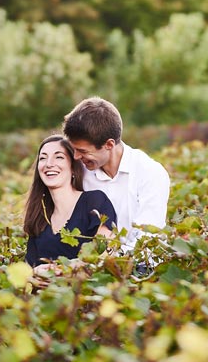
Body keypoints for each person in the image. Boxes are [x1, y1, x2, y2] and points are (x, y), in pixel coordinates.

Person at [62, 97, 170, 251]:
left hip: (141, 268)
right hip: (89, 266)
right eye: (74, 149)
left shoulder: (150, 173)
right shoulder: (80, 172)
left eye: (83, 151)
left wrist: (110, 260)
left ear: (109, 144)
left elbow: (147, 237)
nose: (76, 157)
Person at [23, 133, 117, 268]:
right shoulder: (40, 218)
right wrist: (34, 275)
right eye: (43, 158)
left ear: (73, 167)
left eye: (59, 157)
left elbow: (105, 255)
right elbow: (28, 269)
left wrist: (56, 271)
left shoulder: (94, 202)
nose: (49, 164)